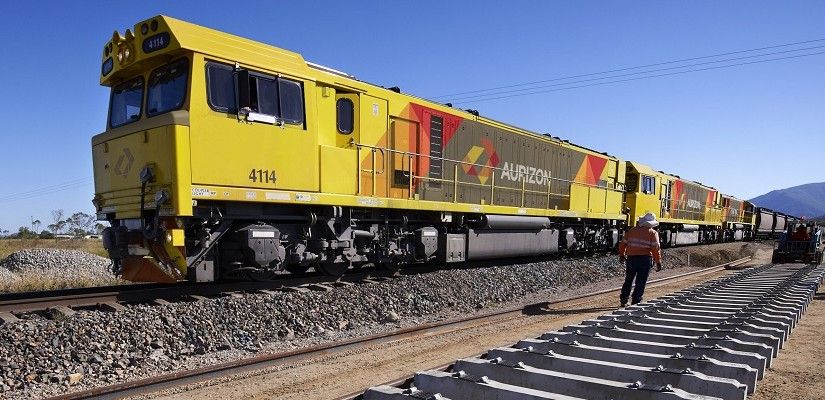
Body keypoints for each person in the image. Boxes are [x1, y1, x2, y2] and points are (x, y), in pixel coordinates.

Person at [618, 212, 663, 307]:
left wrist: (622, 255)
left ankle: (623, 300)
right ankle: (636, 301)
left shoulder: (632, 231)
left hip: (631, 259)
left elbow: (623, 244)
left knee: (628, 280)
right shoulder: (653, 233)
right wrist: (658, 261)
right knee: (641, 281)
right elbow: (655, 249)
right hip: (645, 260)